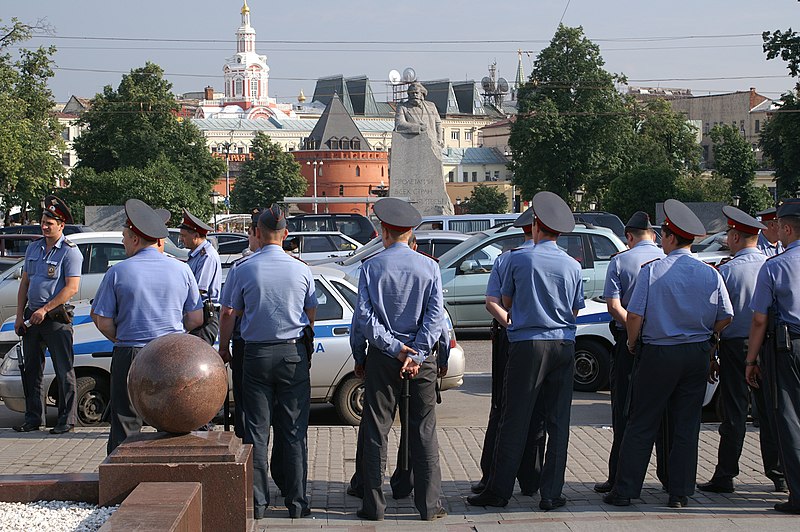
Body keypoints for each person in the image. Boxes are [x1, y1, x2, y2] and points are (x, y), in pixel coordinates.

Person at [603, 199, 733, 509]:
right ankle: (680, 492)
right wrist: (707, 335)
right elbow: (726, 315)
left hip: (659, 353)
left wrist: (633, 343)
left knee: (641, 421)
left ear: (670, 237)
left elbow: (634, 316)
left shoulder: (653, 272)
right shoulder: (710, 273)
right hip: (696, 354)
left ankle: (626, 490)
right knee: (686, 425)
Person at [468, 191, 584, 511]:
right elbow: (576, 310)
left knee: (515, 418)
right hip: (564, 343)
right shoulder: (573, 265)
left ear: (535, 226)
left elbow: (504, 303)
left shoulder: (518, 258)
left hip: (527, 344)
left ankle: (499, 490)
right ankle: (551, 493)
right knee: (558, 422)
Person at [220, 204, 317, 520]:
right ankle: (297, 503)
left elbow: (227, 313)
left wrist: (224, 348)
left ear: (258, 235)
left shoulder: (242, 269)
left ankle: (257, 504)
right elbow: (310, 310)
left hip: (256, 355)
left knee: (256, 434)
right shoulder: (301, 268)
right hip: (292, 354)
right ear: (286, 234)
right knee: (294, 432)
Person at [354, 197, 447, 521]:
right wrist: (418, 352)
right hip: (421, 363)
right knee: (424, 431)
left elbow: (364, 318)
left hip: (383, 358)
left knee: (376, 430)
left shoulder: (370, 267)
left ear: (384, 230)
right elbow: (436, 317)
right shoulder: (430, 267)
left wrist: (394, 349)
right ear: (410, 232)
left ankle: (374, 506)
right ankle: (428, 506)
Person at [91, 199, 203, 454]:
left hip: (130, 353)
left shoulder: (118, 272)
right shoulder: (183, 269)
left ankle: (120, 484)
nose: (121, 242)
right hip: (172, 356)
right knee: (172, 421)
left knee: (125, 422)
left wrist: (122, 338)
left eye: (123, 237)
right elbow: (196, 319)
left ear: (134, 239)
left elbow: (102, 320)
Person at [698, 206, 786, 494]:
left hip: (736, 347)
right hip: (769, 344)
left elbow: (716, 317)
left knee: (734, 410)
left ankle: (725, 475)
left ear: (735, 236)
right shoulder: (771, 263)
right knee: (772, 410)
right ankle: (779, 474)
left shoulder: (727, 271)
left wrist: (712, 352)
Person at [473, 207, 546, 498]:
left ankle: (492, 474)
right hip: (545, 341)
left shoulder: (507, 258)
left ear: (524, 230)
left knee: (503, 408)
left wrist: (510, 324)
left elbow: (492, 302)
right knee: (537, 409)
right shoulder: (560, 260)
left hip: (511, 338)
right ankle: (532, 478)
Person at [594, 211, 666, 494]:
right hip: (661, 341)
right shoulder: (665, 258)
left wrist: (634, 327)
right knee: (662, 410)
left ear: (629, 237)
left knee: (623, 410)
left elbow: (613, 305)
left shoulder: (620, 261)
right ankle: (669, 477)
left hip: (627, 341)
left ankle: (619, 477)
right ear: (654, 235)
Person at [745, 198, 800, 514]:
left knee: (789, 419)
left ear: (788, 228)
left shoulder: (775, 266)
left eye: (778, 224)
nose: (776, 229)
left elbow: (759, 319)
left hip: (788, 347)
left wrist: (751, 361)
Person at [13, 196, 83, 435]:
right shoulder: (34, 248)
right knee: (32, 370)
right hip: (32, 318)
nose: (44, 226)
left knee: (64, 371)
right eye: (43, 222)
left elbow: (71, 287)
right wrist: (18, 316)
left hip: (56, 319)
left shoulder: (70, 252)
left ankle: (67, 421)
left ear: (61, 225)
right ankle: (33, 418)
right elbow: (25, 283)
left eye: (49, 223)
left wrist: (45, 310)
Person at [179, 209, 222, 345]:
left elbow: (198, 290)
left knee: (198, 357)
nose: (181, 239)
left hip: (204, 314)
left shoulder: (206, 256)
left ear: (196, 236)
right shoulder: (197, 255)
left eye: (184, 236)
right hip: (197, 313)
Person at [394, 81, 443, 148]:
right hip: (412, 144)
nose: (414, 95)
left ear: (422, 94)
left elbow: (438, 123)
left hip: (431, 143)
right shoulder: (402, 107)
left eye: (416, 93)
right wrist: (417, 127)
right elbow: (399, 125)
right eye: (412, 93)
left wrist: (439, 139)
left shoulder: (431, 106)